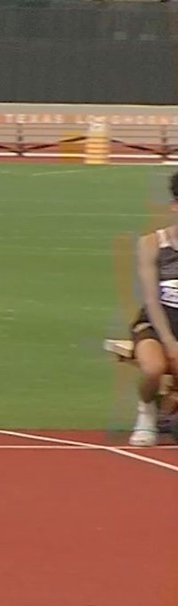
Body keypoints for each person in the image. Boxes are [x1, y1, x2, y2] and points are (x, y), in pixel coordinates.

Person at [128, 171, 178, 447]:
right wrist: (170, 340)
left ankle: (169, 409)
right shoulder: (152, 244)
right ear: (175, 206)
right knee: (154, 369)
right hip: (156, 323)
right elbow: (150, 298)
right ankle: (145, 412)